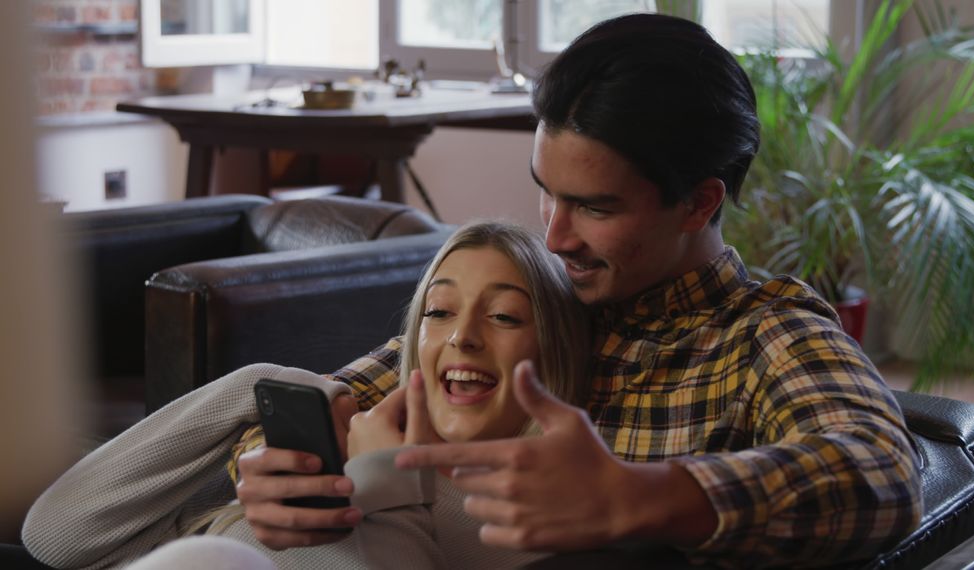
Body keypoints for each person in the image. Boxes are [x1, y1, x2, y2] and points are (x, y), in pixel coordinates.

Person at [233, 12, 922, 568]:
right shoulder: (530, 290)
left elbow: (880, 473)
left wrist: (641, 496)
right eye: (547, 195)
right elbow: (331, 399)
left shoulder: (764, 334)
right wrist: (276, 469)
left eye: (595, 207)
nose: (557, 236)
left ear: (698, 204)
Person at [21, 221, 590, 569]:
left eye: (504, 316)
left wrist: (388, 487)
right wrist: (259, 384)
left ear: (551, 353)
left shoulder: (522, 524)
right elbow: (53, 536)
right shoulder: (311, 448)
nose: (463, 336)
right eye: (439, 312)